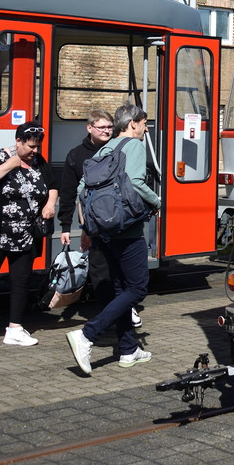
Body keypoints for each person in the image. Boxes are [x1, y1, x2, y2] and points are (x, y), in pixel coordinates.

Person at [67, 104, 159, 375]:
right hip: (127, 231)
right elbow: (136, 182)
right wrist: (157, 201)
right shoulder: (134, 146)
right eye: (144, 124)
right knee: (137, 289)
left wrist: (88, 225)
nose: (145, 129)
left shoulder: (105, 148)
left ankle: (128, 349)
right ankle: (87, 334)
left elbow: (82, 188)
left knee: (121, 290)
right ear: (132, 124)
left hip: (105, 231)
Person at [0, 121, 58, 352]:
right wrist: (10, 164)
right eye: (30, 146)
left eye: (37, 146)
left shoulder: (39, 162)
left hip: (25, 235)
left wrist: (50, 204)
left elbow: (53, 185)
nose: (34, 151)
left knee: (21, 282)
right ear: (18, 141)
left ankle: (15, 329)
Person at [58, 110, 141, 327]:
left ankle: (123, 310)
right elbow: (69, 192)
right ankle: (110, 314)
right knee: (100, 270)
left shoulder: (118, 148)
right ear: (89, 128)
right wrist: (69, 226)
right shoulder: (76, 155)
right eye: (101, 127)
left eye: (109, 127)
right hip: (94, 223)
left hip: (118, 221)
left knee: (121, 269)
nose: (106, 131)